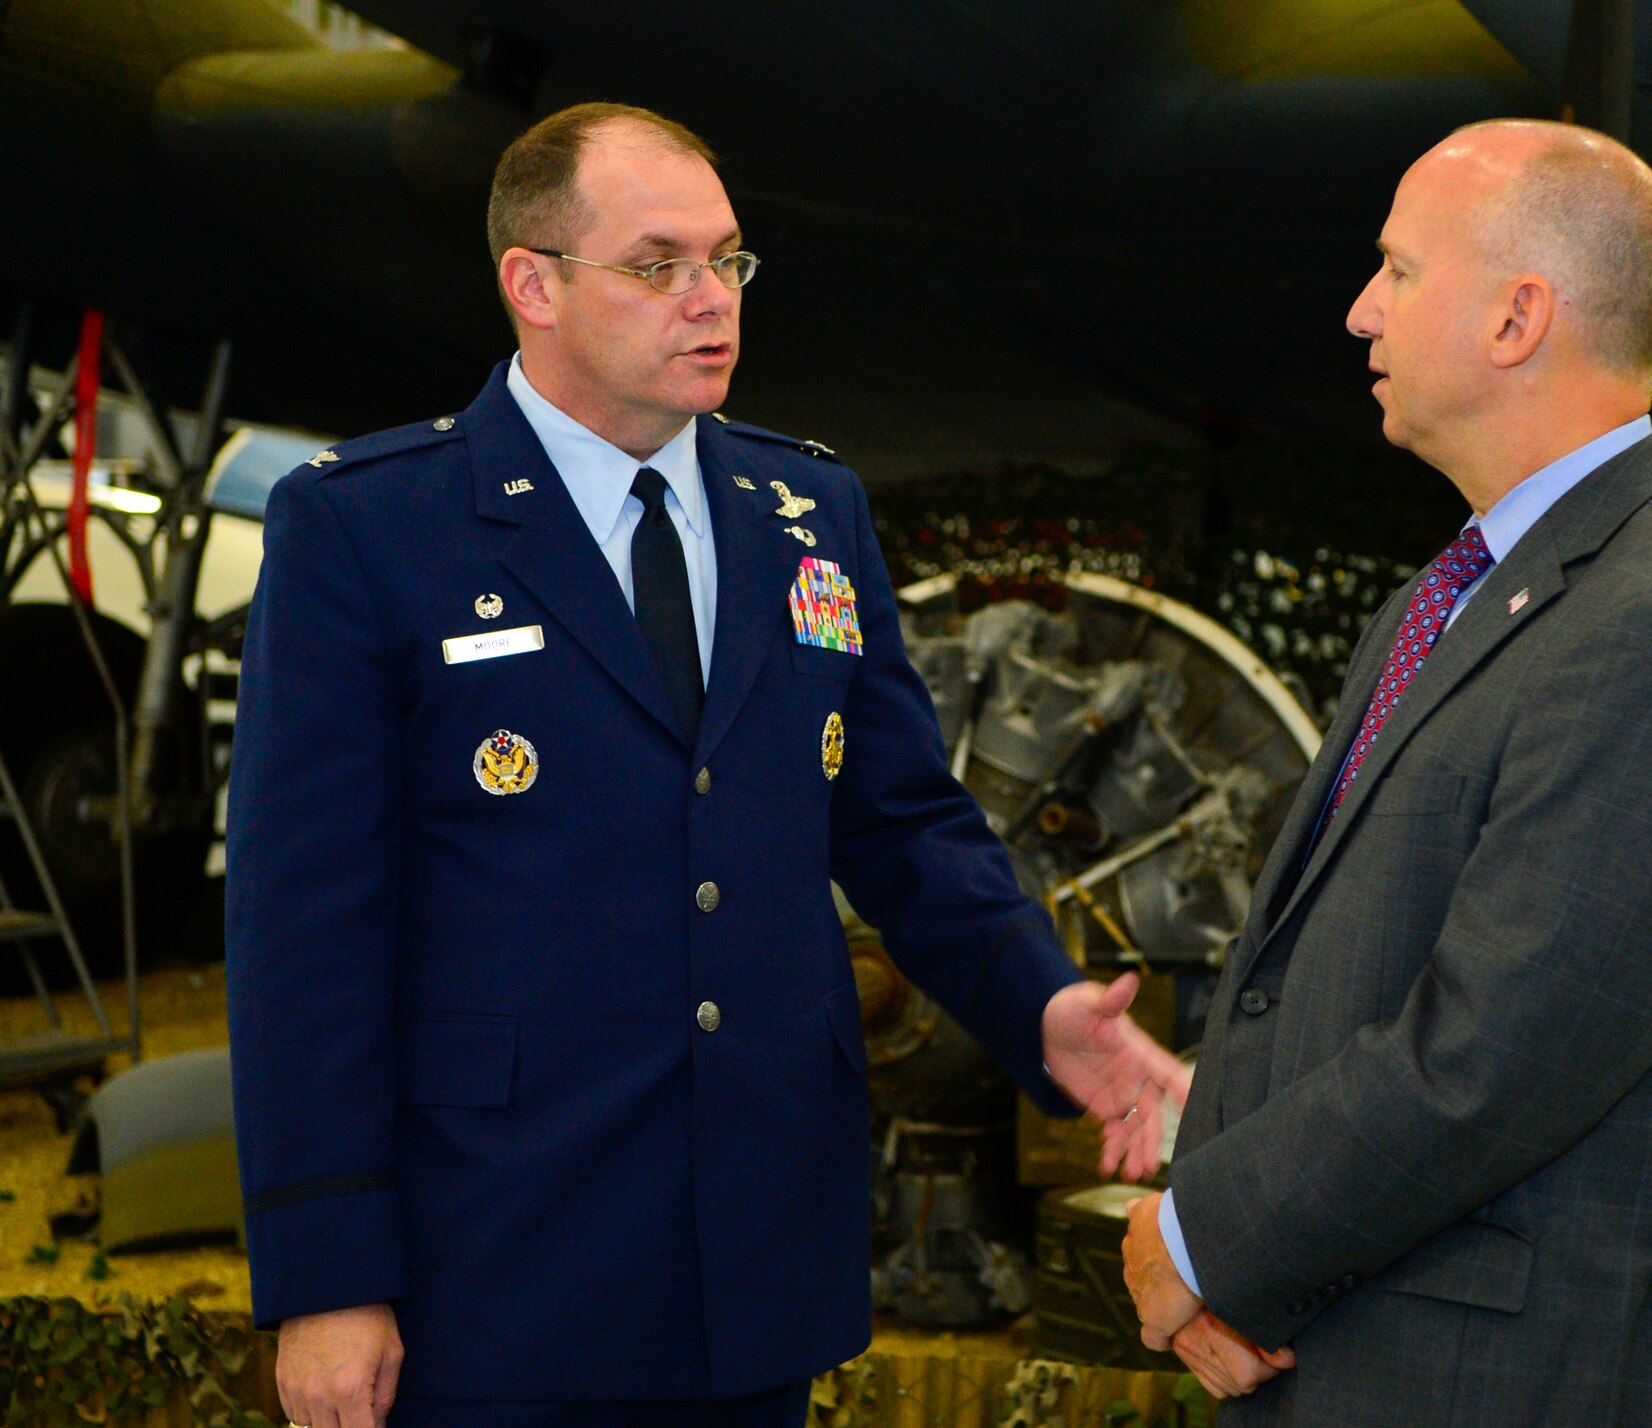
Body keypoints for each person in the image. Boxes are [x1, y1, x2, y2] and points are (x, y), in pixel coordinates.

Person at [227, 102, 1186, 1428]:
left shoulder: (809, 513)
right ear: (533, 285)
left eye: (727, 262)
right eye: (656, 264)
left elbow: (903, 822)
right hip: (499, 1263)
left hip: (754, 1255)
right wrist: (327, 1275)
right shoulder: (371, 529)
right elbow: (303, 930)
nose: (709, 301)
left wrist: (1039, 1008)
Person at [1122, 119, 1652, 1424]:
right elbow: (1325, 988)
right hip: (1341, 1358)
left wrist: (1204, 1239)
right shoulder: (1454, 597)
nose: (1361, 312)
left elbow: (1493, 1055)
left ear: (1516, 319)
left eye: (1400, 271)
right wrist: (1227, 1268)